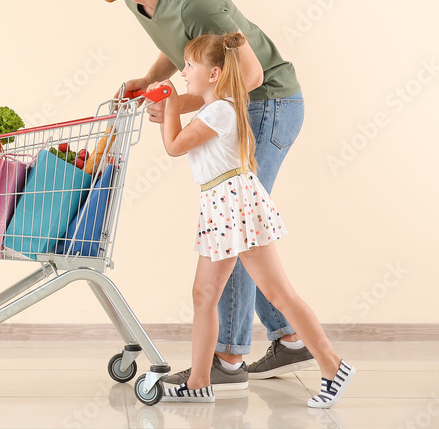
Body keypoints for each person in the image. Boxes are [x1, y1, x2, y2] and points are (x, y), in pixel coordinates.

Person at [89, 0, 312, 390]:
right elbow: (183, 45)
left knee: (234, 228)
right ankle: (291, 339)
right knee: (242, 233)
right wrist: (151, 80)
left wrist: (179, 103)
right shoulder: (137, 0)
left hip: (267, 105)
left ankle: (228, 359)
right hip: (245, 105)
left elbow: (248, 75)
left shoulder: (198, 3)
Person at [151, 32, 354, 407]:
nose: (183, 72)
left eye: (190, 65)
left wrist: (171, 106)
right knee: (203, 294)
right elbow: (180, 138)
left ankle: (333, 366)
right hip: (219, 205)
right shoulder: (214, 108)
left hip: (235, 205)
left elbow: (175, 146)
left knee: (278, 293)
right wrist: (172, 108)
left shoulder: (219, 110)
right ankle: (198, 382)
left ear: (214, 74)